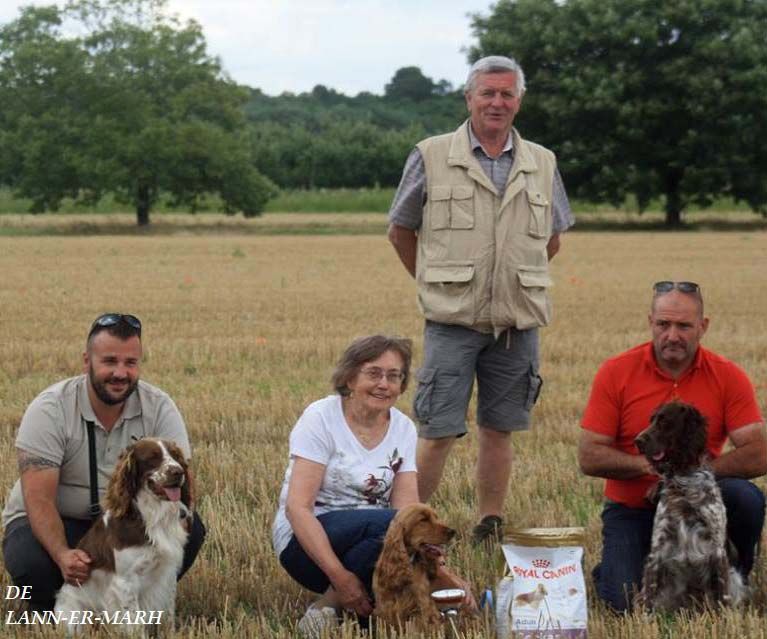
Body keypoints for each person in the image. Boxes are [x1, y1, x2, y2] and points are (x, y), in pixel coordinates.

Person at [387, 55, 575, 544]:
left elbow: (552, 239)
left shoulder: (543, 161)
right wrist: (437, 283)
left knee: (500, 428)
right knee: (437, 431)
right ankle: (411, 529)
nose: (497, 102)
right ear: (469, 98)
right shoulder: (430, 154)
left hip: (517, 325)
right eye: (487, 93)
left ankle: (489, 523)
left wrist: (511, 284)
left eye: (506, 94)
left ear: (519, 101)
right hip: (452, 322)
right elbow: (400, 229)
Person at [579, 281, 767, 612]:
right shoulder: (616, 371)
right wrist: (650, 469)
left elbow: (759, 453)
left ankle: (731, 579)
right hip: (633, 508)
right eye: (664, 324)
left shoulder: (727, 375)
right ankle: (613, 569)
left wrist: (692, 472)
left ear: (703, 327)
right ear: (650, 321)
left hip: (698, 498)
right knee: (624, 603)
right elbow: (589, 456)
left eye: (684, 325)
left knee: (745, 497)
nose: (673, 335)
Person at [2, 313, 206, 613]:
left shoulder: (159, 406)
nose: (120, 373)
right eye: (110, 361)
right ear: (87, 361)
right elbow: (39, 499)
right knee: (33, 568)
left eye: (130, 363)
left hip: (126, 519)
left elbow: (183, 478)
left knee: (192, 531)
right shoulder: (50, 409)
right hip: (59, 520)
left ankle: (138, 602)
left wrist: (174, 532)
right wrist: (62, 555)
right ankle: (48, 606)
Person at [272, 335, 473, 638]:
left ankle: (336, 610)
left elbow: (408, 510)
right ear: (350, 377)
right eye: (374, 373)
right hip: (305, 546)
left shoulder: (403, 427)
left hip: (373, 542)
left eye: (394, 376)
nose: (384, 384)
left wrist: (443, 576)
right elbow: (298, 509)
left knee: (397, 533)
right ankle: (331, 599)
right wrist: (340, 579)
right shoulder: (320, 418)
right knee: (394, 524)